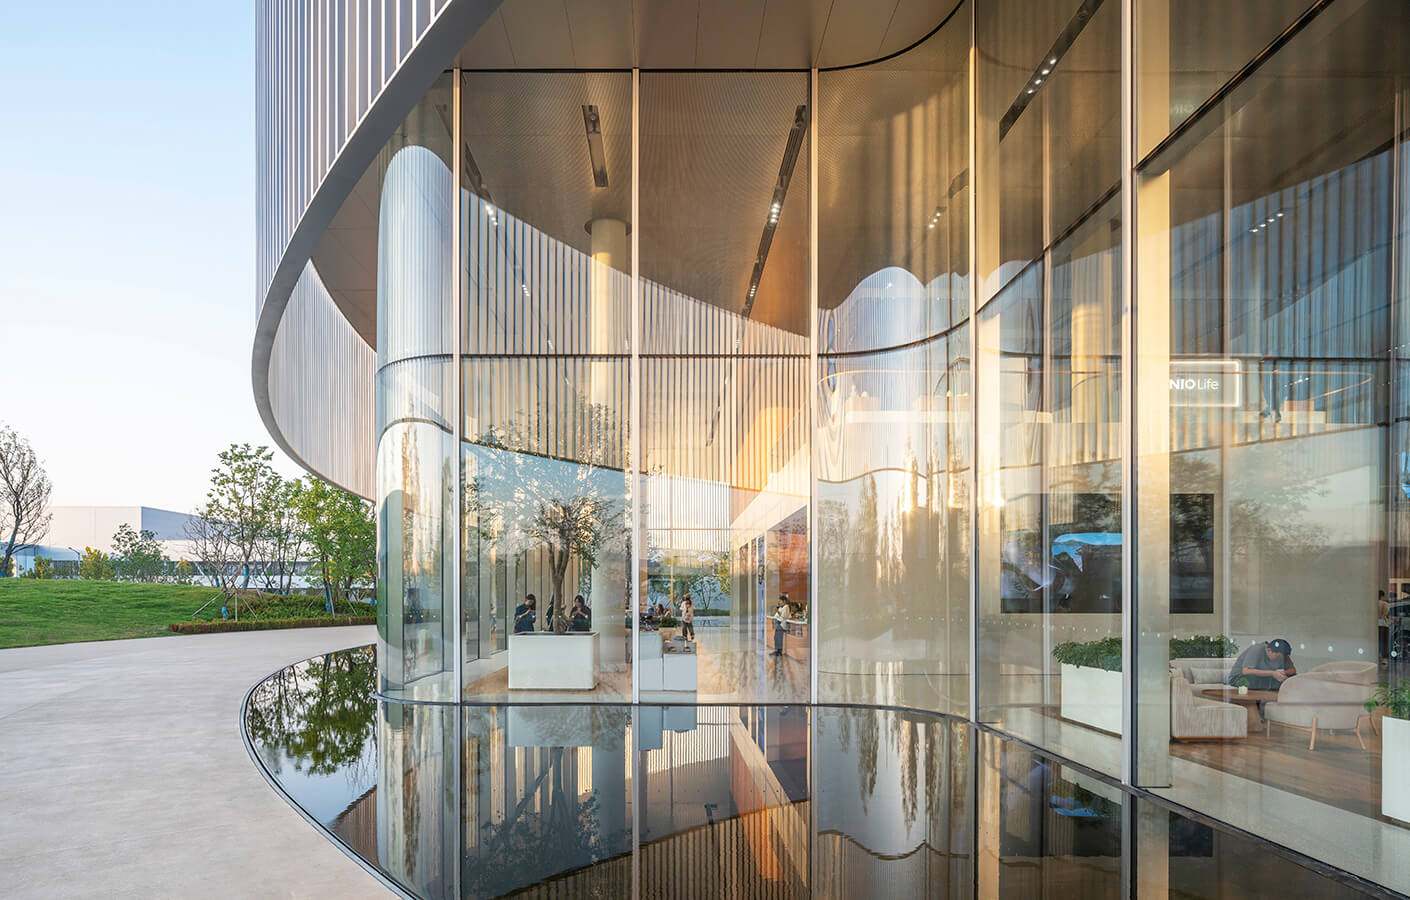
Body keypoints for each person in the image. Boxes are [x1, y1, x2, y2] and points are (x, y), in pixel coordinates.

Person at [1226, 638, 1297, 691]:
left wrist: (1282, 673)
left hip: (1263, 677)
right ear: (1269, 650)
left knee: (1291, 678)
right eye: (1278, 657)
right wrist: (1273, 673)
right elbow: (1246, 671)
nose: (1280, 660)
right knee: (1253, 678)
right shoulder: (1257, 649)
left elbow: (1292, 670)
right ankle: (1256, 703)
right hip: (1239, 677)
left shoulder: (1282, 654)